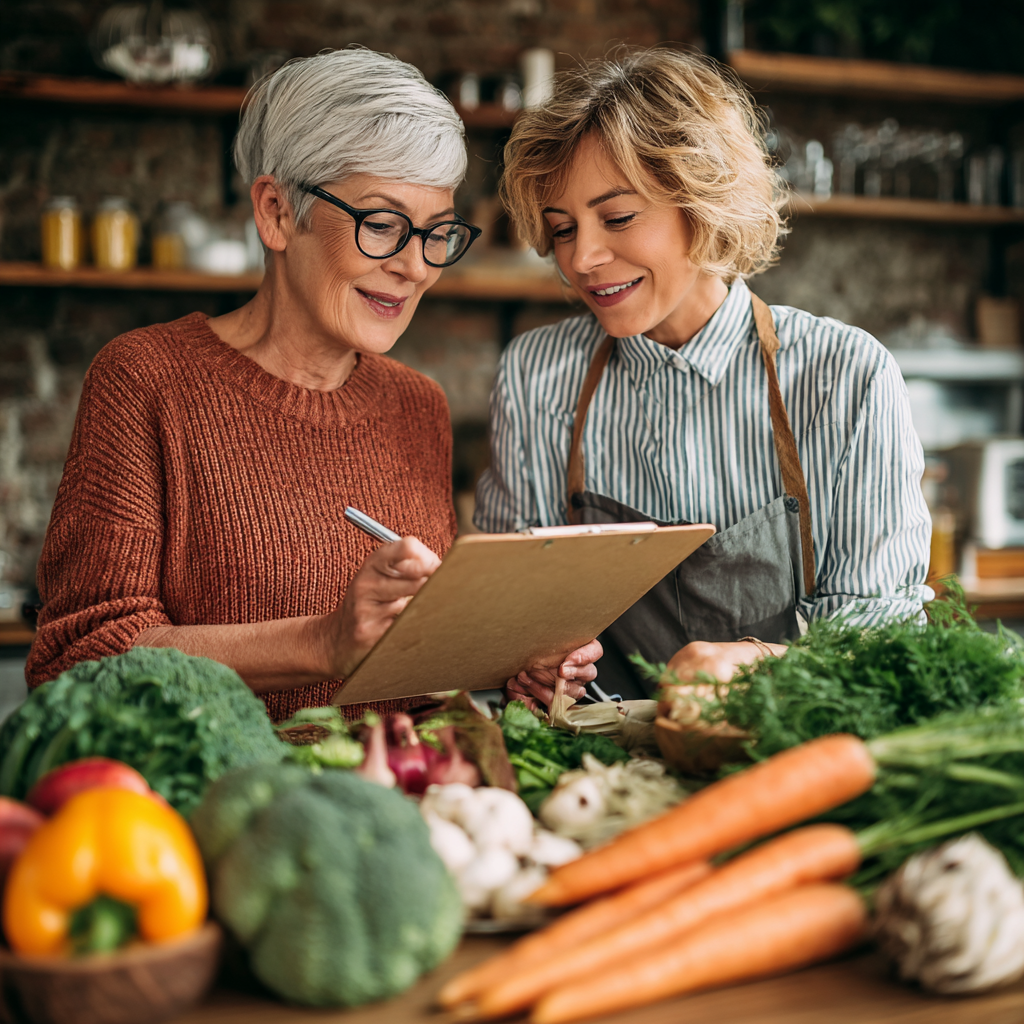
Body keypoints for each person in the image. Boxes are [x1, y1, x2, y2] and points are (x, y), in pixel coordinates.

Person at [27, 48, 599, 719]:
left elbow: (418, 682)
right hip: (228, 810)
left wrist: (513, 671)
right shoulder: (146, 380)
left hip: (411, 805)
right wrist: (321, 643)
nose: (416, 266)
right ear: (276, 212)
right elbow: (79, 663)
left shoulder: (419, 405)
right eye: (383, 225)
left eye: (438, 233)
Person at [478, 47, 931, 704]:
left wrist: (755, 669)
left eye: (618, 217)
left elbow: (882, 633)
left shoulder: (844, 376)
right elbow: (506, 620)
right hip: (602, 779)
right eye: (562, 228)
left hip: (793, 759)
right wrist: (529, 661)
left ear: (704, 200)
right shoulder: (539, 374)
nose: (583, 257)